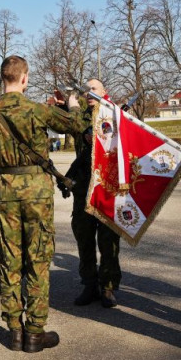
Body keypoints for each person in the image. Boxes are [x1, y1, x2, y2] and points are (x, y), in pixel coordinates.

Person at [0, 56, 82, 352]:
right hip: (36, 190)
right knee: (38, 258)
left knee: (10, 259)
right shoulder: (38, 110)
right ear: (24, 78)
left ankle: (14, 330)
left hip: (5, 190)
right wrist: (71, 103)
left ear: (2, 79)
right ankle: (35, 331)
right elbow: (77, 125)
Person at [68, 79, 122, 307]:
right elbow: (68, 120)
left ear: (104, 92)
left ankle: (108, 287)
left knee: (109, 241)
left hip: (108, 189)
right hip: (84, 189)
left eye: (94, 89)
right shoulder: (80, 118)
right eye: (86, 90)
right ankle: (89, 284)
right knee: (84, 238)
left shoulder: (117, 116)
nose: (89, 93)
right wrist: (68, 105)